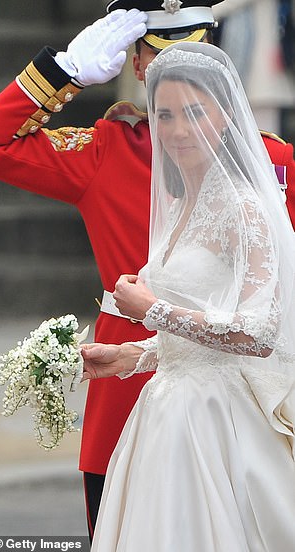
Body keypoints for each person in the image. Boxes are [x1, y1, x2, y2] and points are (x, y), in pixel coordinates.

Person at [0, 0, 294, 538]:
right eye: (159, 65)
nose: (177, 125)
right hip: (130, 401)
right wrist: (63, 73)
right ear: (137, 67)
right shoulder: (109, 149)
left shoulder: (274, 166)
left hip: (236, 407)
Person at [82, 41, 295, 551]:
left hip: (219, 421)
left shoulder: (244, 209)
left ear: (225, 115)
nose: (177, 131)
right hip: (165, 409)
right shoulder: (179, 204)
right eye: (164, 114)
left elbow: (259, 334)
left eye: (194, 113)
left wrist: (150, 310)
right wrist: (133, 355)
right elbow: (204, 328)